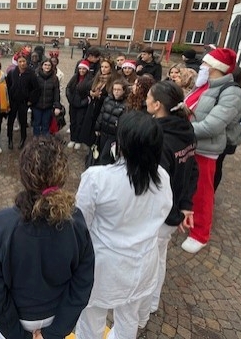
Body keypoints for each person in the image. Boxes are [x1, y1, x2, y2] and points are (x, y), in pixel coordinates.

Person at [0, 136, 95, 339]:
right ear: (61, 177)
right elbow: (83, 281)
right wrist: (55, 332)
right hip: (57, 315)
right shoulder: (75, 221)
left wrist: (18, 335)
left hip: (15, 319)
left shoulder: (1, 225)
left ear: (24, 176)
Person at [75, 112, 173, 339]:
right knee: (128, 320)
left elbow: (82, 224)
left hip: (103, 265)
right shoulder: (163, 178)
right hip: (142, 264)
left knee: (91, 319)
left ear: (122, 144)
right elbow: (163, 212)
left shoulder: (97, 178)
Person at [181, 48, 241, 254]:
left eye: (206, 64)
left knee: (202, 192)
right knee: (185, 186)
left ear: (217, 68)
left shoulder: (232, 93)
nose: (202, 67)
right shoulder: (205, 86)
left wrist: (179, 129)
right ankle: (184, 218)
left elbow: (212, 126)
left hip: (205, 150)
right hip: (190, 145)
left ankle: (200, 234)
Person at [145, 81, 198, 313]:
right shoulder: (185, 129)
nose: (145, 99)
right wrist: (185, 205)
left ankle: (143, 309)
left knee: (149, 262)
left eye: (148, 96)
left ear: (157, 105)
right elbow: (192, 168)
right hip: (174, 211)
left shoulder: (159, 138)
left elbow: (155, 185)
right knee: (160, 257)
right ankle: (152, 303)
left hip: (160, 215)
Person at [214, 65, 241, 192]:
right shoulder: (237, 92)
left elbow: (225, 119)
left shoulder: (234, 95)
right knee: (218, 165)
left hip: (225, 137)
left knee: (217, 166)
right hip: (226, 136)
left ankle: (212, 191)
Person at [80, 58, 118, 147]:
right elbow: (86, 87)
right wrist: (91, 93)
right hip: (93, 107)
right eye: (102, 67)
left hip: (102, 109)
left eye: (106, 67)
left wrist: (99, 96)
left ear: (110, 68)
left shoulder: (113, 80)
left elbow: (112, 97)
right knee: (89, 129)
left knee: (97, 133)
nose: (103, 69)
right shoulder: (98, 77)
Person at [6, 54, 40, 150]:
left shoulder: (31, 74)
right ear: (17, 62)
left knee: (23, 121)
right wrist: (8, 98)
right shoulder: (12, 73)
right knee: (10, 121)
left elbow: (36, 89)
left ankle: (23, 138)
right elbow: (7, 86)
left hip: (24, 102)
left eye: (24, 61)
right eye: (20, 62)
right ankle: (10, 139)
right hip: (13, 101)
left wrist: (30, 100)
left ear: (26, 62)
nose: (22, 63)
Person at [94, 80, 128, 165]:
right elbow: (102, 113)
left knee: (106, 156)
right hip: (104, 132)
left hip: (113, 135)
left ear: (124, 91)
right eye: (114, 89)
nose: (116, 92)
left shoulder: (126, 104)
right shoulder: (108, 99)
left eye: (119, 90)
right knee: (100, 151)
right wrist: (97, 127)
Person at [66, 60, 93, 150]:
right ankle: (72, 138)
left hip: (82, 106)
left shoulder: (89, 80)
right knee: (73, 122)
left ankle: (78, 140)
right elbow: (68, 88)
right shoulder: (75, 77)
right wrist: (70, 98)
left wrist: (83, 102)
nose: (81, 70)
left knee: (79, 123)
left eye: (83, 69)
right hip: (73, 104)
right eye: (80, 68)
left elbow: (89, 94)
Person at [32, 59, 62, 137]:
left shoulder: (54, 78)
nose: (47, 67)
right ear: (42, 66)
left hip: (48, 106)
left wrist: (57, 106)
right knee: (36, 123)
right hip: (37, 105)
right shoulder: (36, 76)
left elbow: (56, 93)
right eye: (45, 65)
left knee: (46, 124)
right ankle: (36, 140)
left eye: (49, 65)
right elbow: (32, 90)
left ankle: (45, 142)